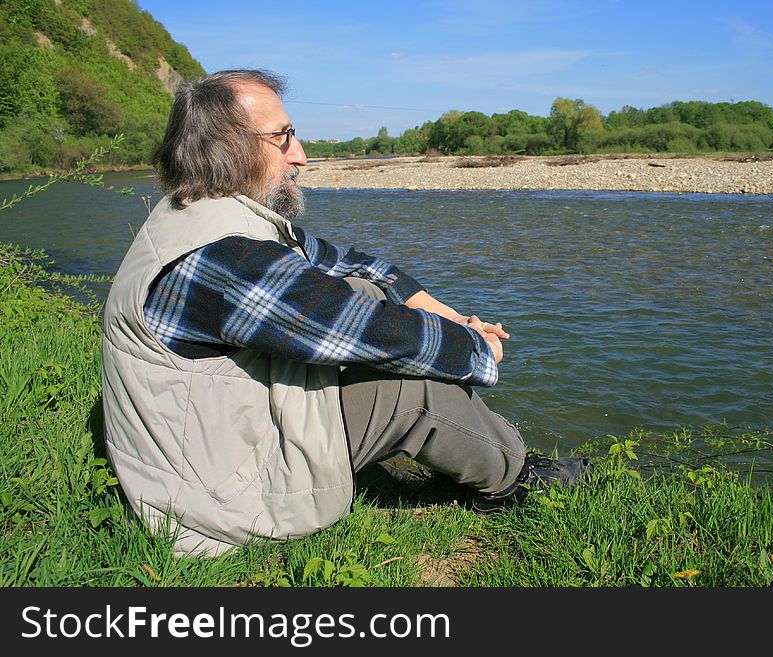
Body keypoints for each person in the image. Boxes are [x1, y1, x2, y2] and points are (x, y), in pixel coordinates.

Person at [101, 69, 589, 557]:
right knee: (411, 386)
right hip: (219, 501)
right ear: (231, 148)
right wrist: (477, 348)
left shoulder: (200, 212)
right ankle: (515, 479)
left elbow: (358, 267)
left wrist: (454, 318)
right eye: (283, 137)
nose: (301, 155)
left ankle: (467, 451)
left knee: (358, 290)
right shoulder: (225, 259)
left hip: (208, 454)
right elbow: (376, 334)